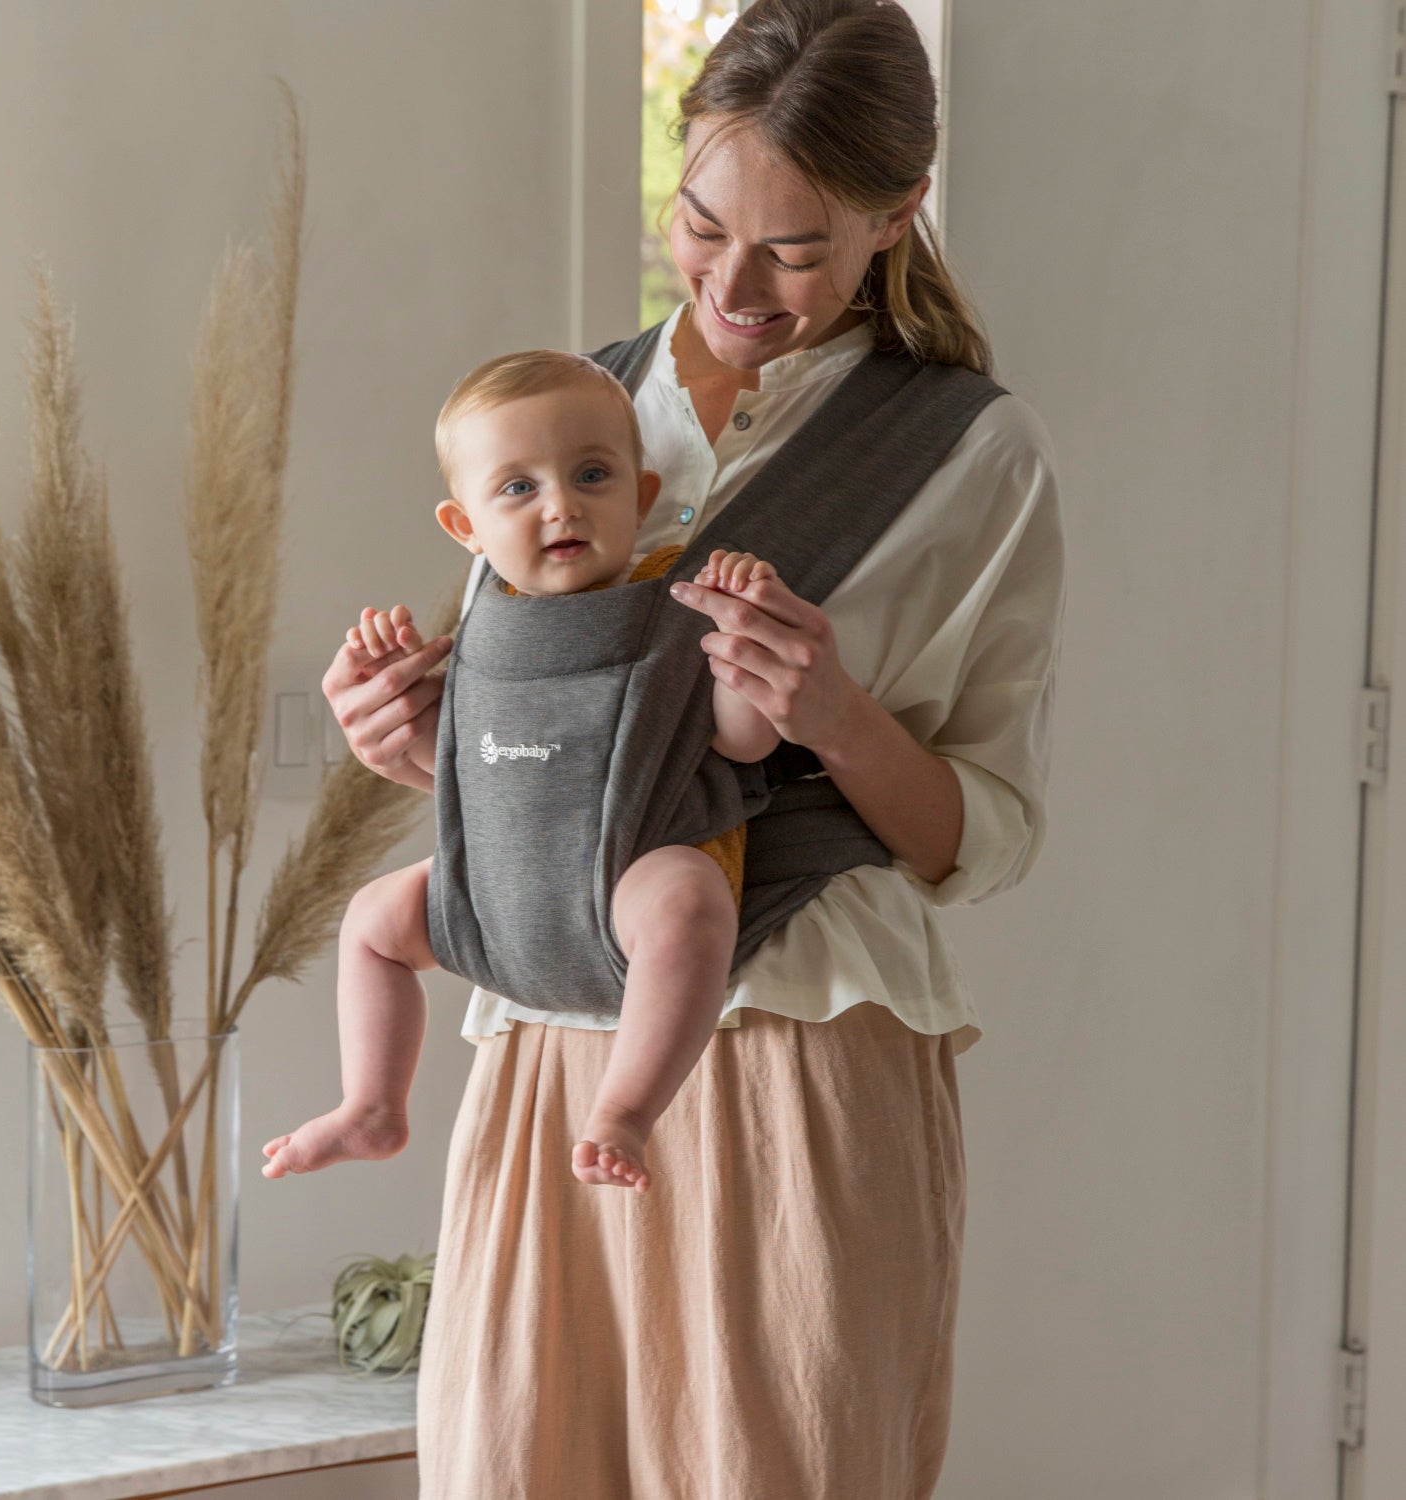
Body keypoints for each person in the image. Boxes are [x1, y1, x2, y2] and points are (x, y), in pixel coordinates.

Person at [322, 0, 1065, 1493]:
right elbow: (544, 754)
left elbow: (983, 833)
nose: (735, 283)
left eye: (795, 248)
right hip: (550, 1056)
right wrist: (412, 743)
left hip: (802, 1040)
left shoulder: (972, 455)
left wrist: (834, 717)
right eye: (702, 225)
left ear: (897, 213)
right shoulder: (575, 407)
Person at [260, 348, 784, 1197]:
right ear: (465, 528)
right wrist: (404, 710)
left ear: (641, 496)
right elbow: (480, 773)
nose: (561, 506)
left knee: (690, 898)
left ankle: (623, 1110)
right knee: (371, 920)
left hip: (627, 886)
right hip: (497, 899)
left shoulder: (679, 597)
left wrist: (743, 645)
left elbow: (746, 744)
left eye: (591, 474)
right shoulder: (485, 626)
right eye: (517, 488)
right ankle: (371, 1104)